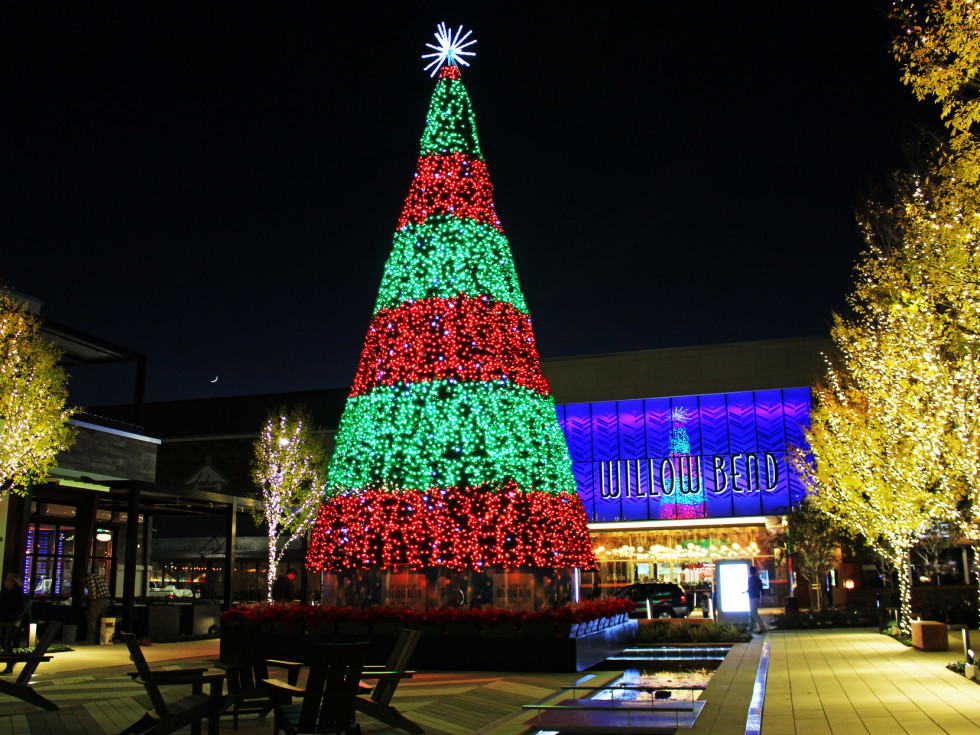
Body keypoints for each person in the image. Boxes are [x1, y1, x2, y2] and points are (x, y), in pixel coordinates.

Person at [0, 574, 25, 674]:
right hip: (4, 618)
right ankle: (11, 660)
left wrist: (14, 615)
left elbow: (21, 607)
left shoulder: (18, 593)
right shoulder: (5, 592)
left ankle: (9, 665)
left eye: (8, 580)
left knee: (7, 641)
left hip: (13, 619)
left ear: (13, 581)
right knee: (2, 641)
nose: (5, 582)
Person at [84, 572, 110, 644]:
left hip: (99, 599)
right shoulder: (97, 576)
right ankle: (100, 639)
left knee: (92, 619)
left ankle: (90, 640)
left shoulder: (90, 578)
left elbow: (93, 590)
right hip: (106, 598)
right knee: (102, 619)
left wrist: (93, 601)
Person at [747, 567, 766, 634]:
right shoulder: (758, 579)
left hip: (752, 598)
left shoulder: (750, 579)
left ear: (750, 571)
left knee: (754, 613)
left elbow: (750, 589)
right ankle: (750, 629)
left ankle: (763, 628)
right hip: (757, 598)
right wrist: (762, 599)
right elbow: (762, 590)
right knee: (752, 613)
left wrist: (745, 592)